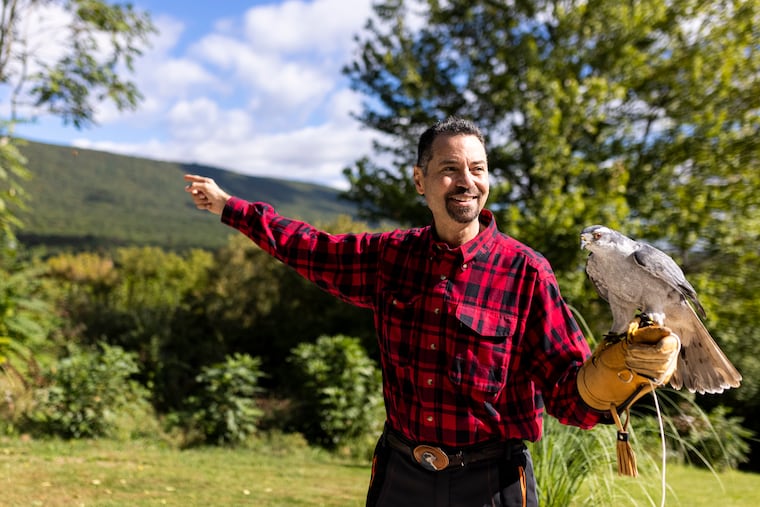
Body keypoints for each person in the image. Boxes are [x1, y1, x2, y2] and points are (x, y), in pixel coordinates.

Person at [184, 117, 680, 506]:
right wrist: (230, 206)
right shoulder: (390, 258)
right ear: (420, 181)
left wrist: (616, 378)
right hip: (401, 478)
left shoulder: (526, 272)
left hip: (493, 486)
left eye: (478, 169)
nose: (466, 181)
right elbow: (309, 247)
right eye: (449, 169)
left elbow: (568, 393)